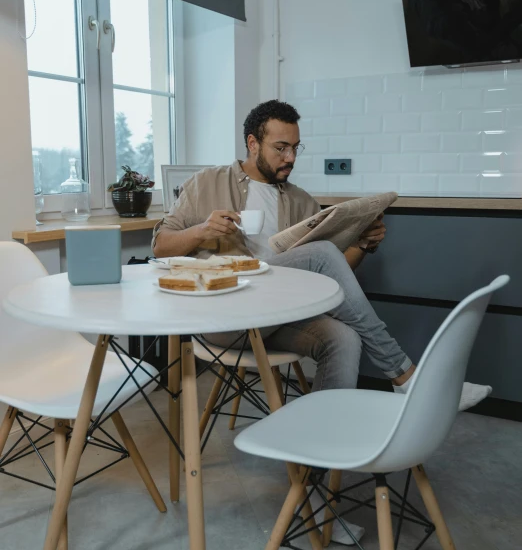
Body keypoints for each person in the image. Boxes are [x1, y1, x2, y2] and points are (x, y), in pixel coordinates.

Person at [153, 100, 490, 411]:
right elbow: (160, 245)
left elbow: (332, 272)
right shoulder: (207, 182)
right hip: (226, 317)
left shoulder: (301, 201)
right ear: (253, 143)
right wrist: (201, 231)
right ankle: (406, 375)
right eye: (280, 148)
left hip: (276, 315)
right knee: (322, 253)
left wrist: (362, 245)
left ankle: (317, 459)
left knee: (344, 338)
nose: (291, 158)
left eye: (295, 148)